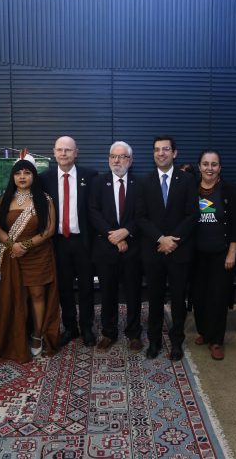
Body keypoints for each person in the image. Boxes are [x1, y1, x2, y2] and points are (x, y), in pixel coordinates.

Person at [0, 156, 60, 362]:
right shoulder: (5, 200)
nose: (22, 177)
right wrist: (13, 245)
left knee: (38, 295)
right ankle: (17, 337)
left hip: (38, 255)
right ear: (13, 177)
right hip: (13, 255)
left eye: (27, 173)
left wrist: (26, 246)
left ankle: (37, 335)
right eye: (18, 173)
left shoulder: (44, 199)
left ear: (34, 176)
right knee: (16, 297)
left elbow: (49, 230)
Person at [136, 135, 198, 361]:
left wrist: (173, 241)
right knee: (154, 299)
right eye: (157, 149)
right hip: (153, 252)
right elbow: (140, 217)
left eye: (165, 149)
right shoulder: (144, 181)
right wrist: (160, 239)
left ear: (174, 153)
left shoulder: (187, 180)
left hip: (179, 251)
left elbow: (192, 214)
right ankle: (154, 341)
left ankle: (176, 342)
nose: (161, 153)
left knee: (178, 299)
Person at [40, 136, 98, 347]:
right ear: (54, 152)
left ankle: (86, 327)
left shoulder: (90, 176)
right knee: (63, 287)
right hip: (58, 242)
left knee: (86, 287)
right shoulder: (44, 178)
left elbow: (95, 209)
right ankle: (70, 327)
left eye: (68, 150)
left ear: (76, 153)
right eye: (60, 150)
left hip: (83, 241)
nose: (63, 153)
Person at [190, 150, 236, 360]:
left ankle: (216, 341)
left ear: (219, 168)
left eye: (214, 164)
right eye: (205, 164)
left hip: (222, 255)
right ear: (199, 166)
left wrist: (232, 252)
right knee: (199, 296)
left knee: (218, 297)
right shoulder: (190, 188)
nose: (209, 168)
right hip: (196, 254)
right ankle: (204, 332)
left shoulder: (230, 190)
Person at [89, 141, 143, 351]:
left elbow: (142, 214)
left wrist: (126, 232)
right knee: (107, 293)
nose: (117, 160)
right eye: (113, 156)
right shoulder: (98, 182)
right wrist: (114, 236)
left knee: (133, 293)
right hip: (106, 247)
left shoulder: (140, 184)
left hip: (133, 249)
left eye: (122, 156)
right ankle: (108, 332)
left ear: (130, 160)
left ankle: (134, 333)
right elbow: (93, 211)